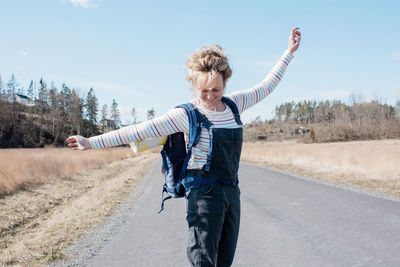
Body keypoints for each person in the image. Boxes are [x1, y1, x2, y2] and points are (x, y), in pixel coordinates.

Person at [67, 27, 301, 267]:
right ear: (194, 87)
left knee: (224, 261)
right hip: (203, 194)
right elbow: (139, 130)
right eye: (204, 91)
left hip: (232, 191)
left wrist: (288, 53)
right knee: (203, 261)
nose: (210, 96)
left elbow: (267, 86)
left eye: (216, 90)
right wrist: (91, 142)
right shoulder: (185, 115)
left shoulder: (235, 105)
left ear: (225, 84)